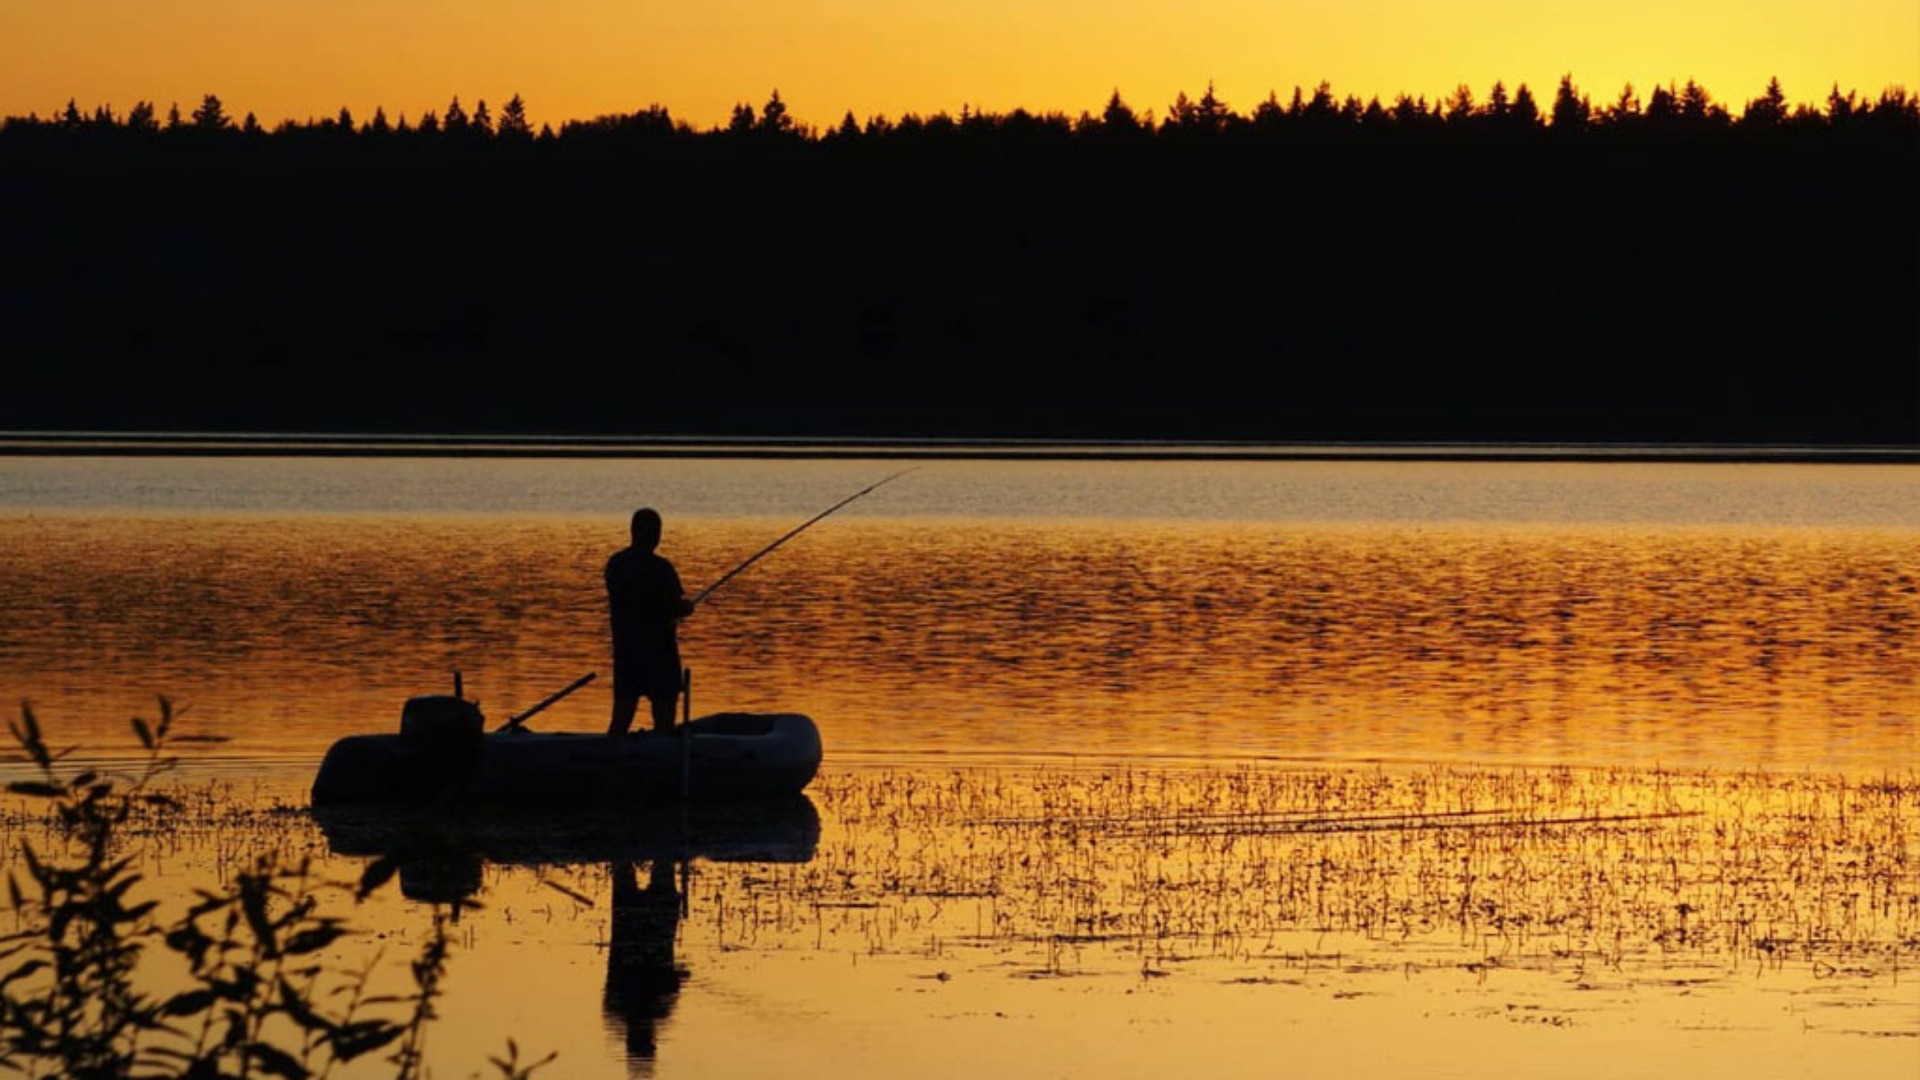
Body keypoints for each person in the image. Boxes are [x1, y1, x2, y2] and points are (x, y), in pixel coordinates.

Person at [606, 508, 694, 734]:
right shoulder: (661, 569)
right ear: (655, 534)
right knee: (664, 718)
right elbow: (674, 606)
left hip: (626, 652)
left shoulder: (615, 565)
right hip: (659, 654)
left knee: (621, 718)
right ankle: (662, 756)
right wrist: (687, 608)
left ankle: (609, 757)